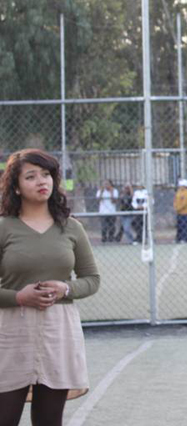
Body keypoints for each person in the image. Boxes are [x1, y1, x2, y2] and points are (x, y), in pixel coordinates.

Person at [0, 149, 100, 426]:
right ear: (16, 187)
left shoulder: (72, 228)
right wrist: (19, 297)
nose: (41, 181)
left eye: (46, 174)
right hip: (11, 334)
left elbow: (92, 279)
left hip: (59, 332)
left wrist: (64, 289)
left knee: (49, 420)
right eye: (30, 176)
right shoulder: (4, 228)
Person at [174, 178, 187, 243]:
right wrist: (175, 207)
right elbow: (175, 200)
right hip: (179, 212)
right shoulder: (178, 192)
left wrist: (178, 208)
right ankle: (178, 238)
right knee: (179, 226)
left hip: (185, 212)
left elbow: (185, 203)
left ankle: (184, 238)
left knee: (184, 226)